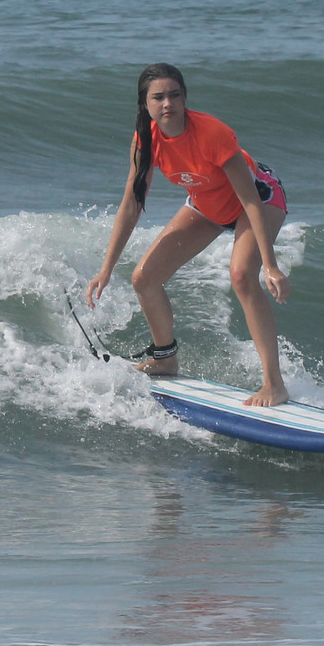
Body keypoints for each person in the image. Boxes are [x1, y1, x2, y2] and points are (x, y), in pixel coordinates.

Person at [85, 63, 292, 406]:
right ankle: (165, 359)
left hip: (259, 198)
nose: (167, 103)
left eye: (174, 95)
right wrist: (106, 269)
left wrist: (270, 265)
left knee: (242, 275)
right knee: (144, 278)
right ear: (145, 103)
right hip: (208, 203)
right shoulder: (145, 140)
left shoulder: (212, 134)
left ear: (184, 98)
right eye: (158, 97)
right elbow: (131, 204)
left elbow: (250, 201)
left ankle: (274, 384)